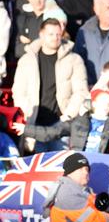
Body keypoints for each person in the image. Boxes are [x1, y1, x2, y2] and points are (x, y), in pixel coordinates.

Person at [12, 18, 89, 153]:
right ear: (41, 34)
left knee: (60, 166)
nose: (55, 38)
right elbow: (18, 91)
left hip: (61, 124)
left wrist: (69, 115)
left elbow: (81, 91)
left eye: (58, 34)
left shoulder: (74, 60)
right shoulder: (26, 60)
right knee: (37, 167)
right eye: (51, 34)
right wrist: (27, 114)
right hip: (34, 123)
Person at [14, 88, 109, 154]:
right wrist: (26, 129)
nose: (108, 104)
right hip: (79, 161)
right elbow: (51, 132)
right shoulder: (79, 122)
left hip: (102, 162)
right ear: (94, 103)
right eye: (104, 101)